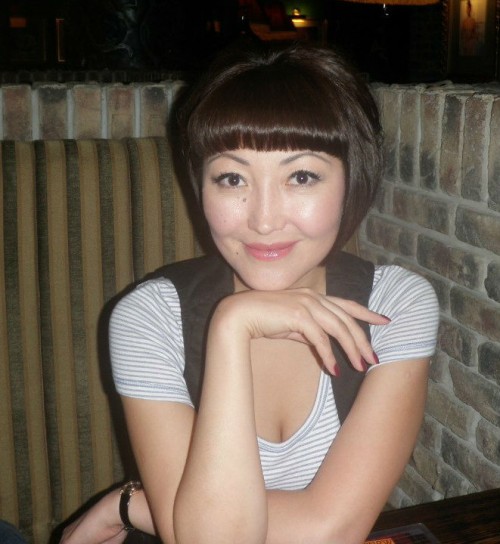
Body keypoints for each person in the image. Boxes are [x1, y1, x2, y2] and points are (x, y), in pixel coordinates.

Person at [60, 43, 439, 544]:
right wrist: (232, 325)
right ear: (200, 187)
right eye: (232, 178)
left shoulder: (394, 306)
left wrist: (134, 505)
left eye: (301, 176)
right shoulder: (149, 317)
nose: (263, 220)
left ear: (353, 182)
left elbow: (330, 531)